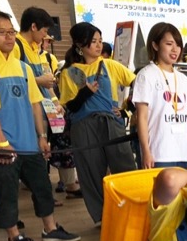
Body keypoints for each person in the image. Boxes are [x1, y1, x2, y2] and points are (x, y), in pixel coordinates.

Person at [0, 11, 80, 241]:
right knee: (7, 193)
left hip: (30, 143)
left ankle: (50, 229)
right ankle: (13, 238)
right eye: (1, 32)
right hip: (5, 147)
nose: (9, 37)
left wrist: (41, 137)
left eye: (11, 31)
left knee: (42, 187)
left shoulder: (23, 68)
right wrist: (2, 143)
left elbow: (35, 103)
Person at [59, 22, 138, 225]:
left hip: (112, 123)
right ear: (80, 44)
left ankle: (134, 210)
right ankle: (104, 218)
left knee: (125, 166)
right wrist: (85, 93)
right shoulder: (69, 72)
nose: (98, 45)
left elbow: (138, 83)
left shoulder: (109, 65)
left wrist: (127, 109)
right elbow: (70, 106)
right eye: (93, 41)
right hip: (83, 126)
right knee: (91, 172)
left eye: (100, 41)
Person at [14, 8, 81, 201]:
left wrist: (55, 103)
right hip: (29, 112)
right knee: (34, 156)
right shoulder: (17, 46)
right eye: (44, 31)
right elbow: (14, 79)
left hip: (44, 111)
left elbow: (47, 83)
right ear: (33, 27)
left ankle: (48, 194)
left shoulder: (36, 50)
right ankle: (42, 196)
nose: (45, 36)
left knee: (46, 150)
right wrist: (39, 81)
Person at [133, 22, 187, 169]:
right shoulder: (146, 75)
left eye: (178, 44)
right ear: (155, 45)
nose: (175, 49)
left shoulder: (183, 79)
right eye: (169, 44)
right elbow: (142, 117)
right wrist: (146, 151)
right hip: (160, 153)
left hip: (185, 153)